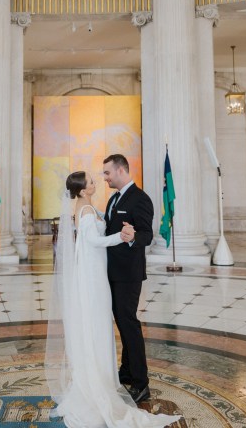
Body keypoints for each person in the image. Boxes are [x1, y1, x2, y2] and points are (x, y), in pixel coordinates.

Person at [45, 170, 181, 428]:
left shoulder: (91, 205)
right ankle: (103, 378)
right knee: (98, 323)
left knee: (107, 322)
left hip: (103, 272)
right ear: (84, 190)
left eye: (105, 174)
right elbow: (94, 241)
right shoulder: (85, 209)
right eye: (94, 180)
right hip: (94, 274)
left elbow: (131, 231)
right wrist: (121, 236)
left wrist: (128, 235)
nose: (100, 180)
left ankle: (116, 375)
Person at [103, 154, 154, 404]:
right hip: (113, 272)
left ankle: (141, 383)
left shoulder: (140, 199)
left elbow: (147, 234)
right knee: (122, 323)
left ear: (121, 170)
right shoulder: (114, 199)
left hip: (128, 274)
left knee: (129, 324)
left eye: (107, 173)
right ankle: (126, 371)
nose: (105, 178)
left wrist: (133, 236)